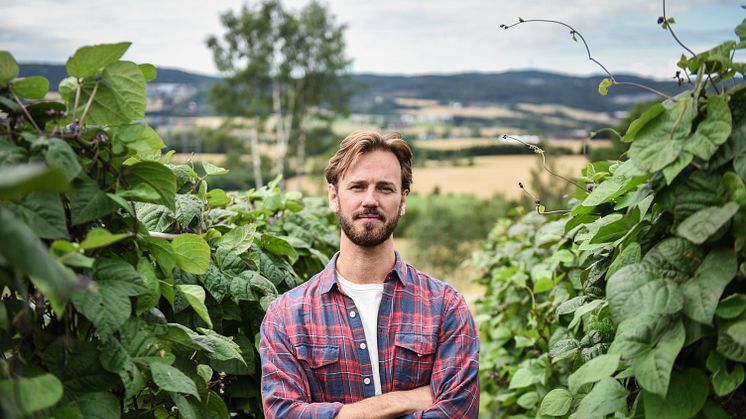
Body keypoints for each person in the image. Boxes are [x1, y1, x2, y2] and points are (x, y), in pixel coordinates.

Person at [259, 131, 480, 418]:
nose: (370, 200)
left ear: (403, 200)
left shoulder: (445, 307)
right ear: (334, 196)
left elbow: (458, 411)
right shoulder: (287, 317)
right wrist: (404, 400)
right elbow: (283, 414)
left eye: (385, 188)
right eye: (357, 187)